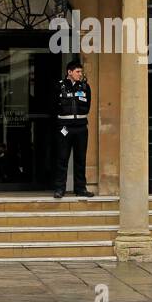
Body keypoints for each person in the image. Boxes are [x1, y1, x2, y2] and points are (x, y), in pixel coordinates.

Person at [53, 60, 94, 199]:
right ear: (69, 72)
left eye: (81, 72)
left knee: (80, 159)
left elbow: (88, 105)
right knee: (62, 158)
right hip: (65, 127)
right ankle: (60, 189)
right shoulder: (59, 86)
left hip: (81, 127)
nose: (80, 74)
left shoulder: (85, 87)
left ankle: (81, 189)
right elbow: (53, 106)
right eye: (77, 72)